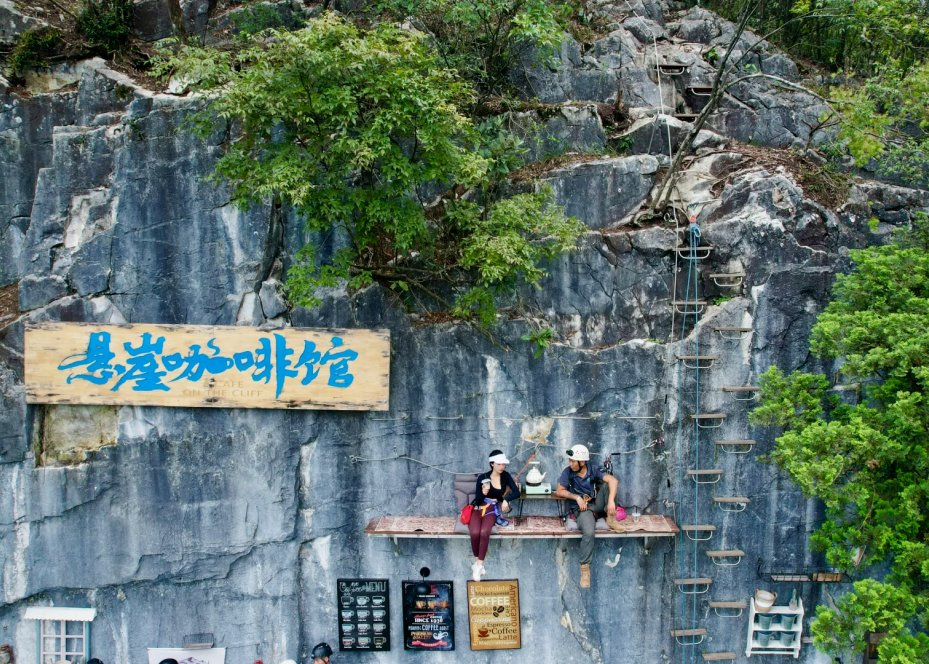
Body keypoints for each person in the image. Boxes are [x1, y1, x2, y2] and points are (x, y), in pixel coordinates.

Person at [555, 444, 625, 589]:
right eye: (570, 460)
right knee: (589, 532)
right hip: (582, 510)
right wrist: (576, 498)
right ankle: (585, 570)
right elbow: (559, 491)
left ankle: (611, 519)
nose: (571, 463)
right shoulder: (568, 472)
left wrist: (611, 501)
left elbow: (613, 481)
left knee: (608, 485)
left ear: (582, 462)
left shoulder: (593, 470)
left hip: (597, 505)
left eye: (573, 461)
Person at [469, 450, 519, 582]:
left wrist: (507, 499)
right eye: (499, 464)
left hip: (492, 509)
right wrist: (483, 492)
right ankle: (477, 564)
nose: (502, 466)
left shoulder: (506, 476)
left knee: (485, 532)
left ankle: (479, 565)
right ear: (492, 464)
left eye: (503, 464)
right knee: (474, 532)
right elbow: (478, 500)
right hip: (478, 508)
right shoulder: (483, 477)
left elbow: (517, 492)